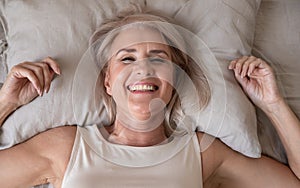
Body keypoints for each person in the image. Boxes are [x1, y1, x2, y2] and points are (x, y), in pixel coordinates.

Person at [0, 7, 299, 188]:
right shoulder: (66, 146)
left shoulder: (203, 154)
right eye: (127, 59)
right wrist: (7, 102)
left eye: (158, 58)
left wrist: (273, 105)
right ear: (107, 80)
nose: (143, 68)